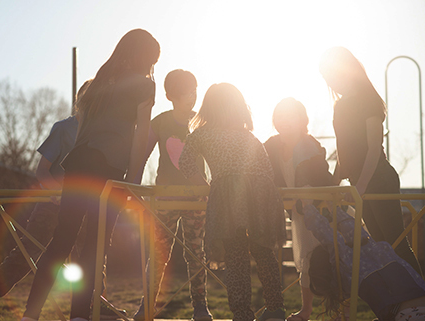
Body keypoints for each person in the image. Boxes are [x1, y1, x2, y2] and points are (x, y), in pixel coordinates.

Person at [21, 29, 160, 321]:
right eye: (152, 61)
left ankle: (30, 315)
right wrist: (132, 180)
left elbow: (83, 129)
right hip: (107, 169)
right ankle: (79, 316)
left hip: (78, 164)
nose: (152, 68)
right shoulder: (144, 85)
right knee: (96, 245)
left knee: (62, 240)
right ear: (145, 58)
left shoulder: (99, 81)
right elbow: (141, 135)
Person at [0, 80, 125, 321]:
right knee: (26, 252)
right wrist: (57, 192)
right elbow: (43, 170)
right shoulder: (64, 129)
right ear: (79, 102)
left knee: (92, 254)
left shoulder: (102, 134)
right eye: (89, 101)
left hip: (86, 205)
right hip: (53, 205)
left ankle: (94, 303)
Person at [179, 83, 286, 321]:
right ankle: (276, 308)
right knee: (263, 250)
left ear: (209, 108)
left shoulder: (202, 133)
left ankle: (242, 313)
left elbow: (185, 163)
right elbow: (267, 170)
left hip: (229, 195)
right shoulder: (248, 136)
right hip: (261, 194)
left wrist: (206, 189)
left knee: (236, 255)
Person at [319, 46, 422, 276]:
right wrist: (335, 185)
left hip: (379, 178)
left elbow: (374, 148)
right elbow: (342, 149)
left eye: (331, 74)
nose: (330, 81)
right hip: (359, 183)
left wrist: (362, 186)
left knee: (395, 244)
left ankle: (421, 301)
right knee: (381, 248)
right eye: (326, 77)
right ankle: (398, 310)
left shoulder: (367, 100)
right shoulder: (340, 106)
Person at [132, 69, 212, 321]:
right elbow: (142, 154)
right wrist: (133, 186)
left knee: (196, 252)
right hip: (165, 197)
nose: (192, 96)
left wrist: (214, 187)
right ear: (170, 96)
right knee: (158, 252)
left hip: (197, 198)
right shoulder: (161, 122)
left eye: (195, 90)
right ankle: (147, 306)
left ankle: (200, 307)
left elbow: (214, 158)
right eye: (186, 92)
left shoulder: (201, 122)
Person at [296, 197, 425, 321]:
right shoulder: (372, 249)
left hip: (407, 315)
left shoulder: (348, 271)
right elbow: (350, 228)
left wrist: (307, 208)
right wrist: (332, 206)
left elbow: (330, 240)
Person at [264, 97, 333, 321]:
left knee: (329, 259)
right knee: (304, 259)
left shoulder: (310, 145)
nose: (285, 122)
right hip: (297, 212)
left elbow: (322, 179)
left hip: (321, 211)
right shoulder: (272, 146)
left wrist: (306, 198)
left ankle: (337, 311)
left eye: (291, 117)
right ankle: (306, 310)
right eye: (280, 117)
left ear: (302, 120)